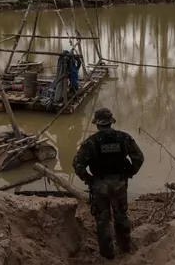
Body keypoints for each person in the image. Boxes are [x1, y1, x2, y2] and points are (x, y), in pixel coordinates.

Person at [72, 108, 144, 260]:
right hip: (119, 183)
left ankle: (107, 254)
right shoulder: (124, 138)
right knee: (121, 216)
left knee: (103, 220)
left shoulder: (90, 142)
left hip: (100, 185)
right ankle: (125, 247)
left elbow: (77, 164)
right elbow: (139, 157)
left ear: (98, 124)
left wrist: (90, 180)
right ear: (111, 122)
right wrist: (129, 172)